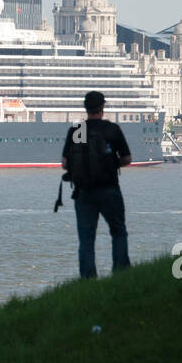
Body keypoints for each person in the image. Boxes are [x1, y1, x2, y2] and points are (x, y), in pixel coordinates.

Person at [61, 91, 132, 278]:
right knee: (118, 232)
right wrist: (111, 164)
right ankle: (121, 273)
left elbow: (65, 163)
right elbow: (127, 158)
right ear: (102, 108)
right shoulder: (111, 129)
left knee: (86, 239)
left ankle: (88, 279)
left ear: (85, 108)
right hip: (109, 188)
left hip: (83, 192)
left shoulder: (78, 130)